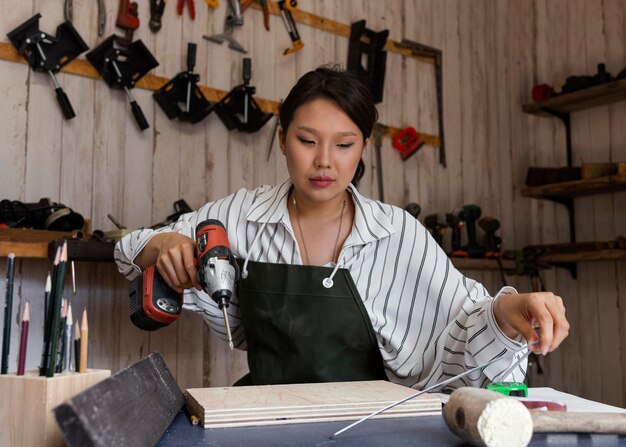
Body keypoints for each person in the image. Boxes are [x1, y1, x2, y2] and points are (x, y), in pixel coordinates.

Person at [115, 65, 569, 389]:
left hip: (369, 429)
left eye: (344, 144)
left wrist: (507, 315)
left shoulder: (397, 233)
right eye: (307, 140)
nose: (324, 162)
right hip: (267, 419)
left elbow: (463, 330)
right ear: (282, 139)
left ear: (363, 147)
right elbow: (128, 248)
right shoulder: (242, 217)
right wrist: (165, 243)